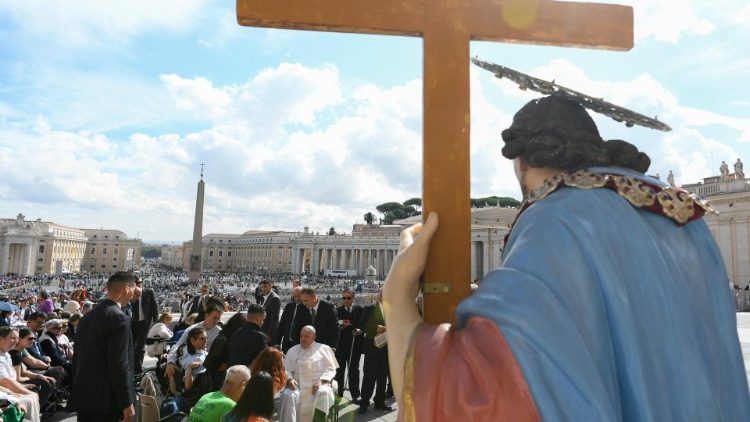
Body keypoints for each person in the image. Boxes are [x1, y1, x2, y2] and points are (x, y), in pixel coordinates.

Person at [383, 95, 750, 421]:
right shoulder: (678, 213)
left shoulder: (555, 217)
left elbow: (475, 399)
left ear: (522, 161)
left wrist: (398, 294)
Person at [70, 271, 137, 422]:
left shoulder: (86, 317)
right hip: (107, 401)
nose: (133, 295)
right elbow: (119, 363)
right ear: (126, 289)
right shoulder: (119, 318)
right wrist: (126, 401)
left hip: (84, 396)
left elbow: (77, 356)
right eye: (132, 291)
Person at [278, 326, 338, 422]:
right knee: (288, 395)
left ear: (314, 337)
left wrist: (321, 381)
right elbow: (286, 369)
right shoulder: (293, 350)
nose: (303, 339)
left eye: (306, 336)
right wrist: (290, 379)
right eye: (301, 336)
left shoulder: (324, 349)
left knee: (324, 393)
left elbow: (331, 369)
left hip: (318, 385)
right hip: (298, 385)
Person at [161, 327, 213, 419]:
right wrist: (189, 369)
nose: (206, 341)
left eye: (206, 338)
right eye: (203, 339)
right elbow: (188, 386)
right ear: (193, 341)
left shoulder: (186, 350)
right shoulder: (195, 360)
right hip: (194, 401)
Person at [165, 304, 223, 380]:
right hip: (190, 363)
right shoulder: (192, 329)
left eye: (219, 318)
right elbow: (177, 345)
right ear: (206, 315)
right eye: (214, 318)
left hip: (208, 367)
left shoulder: (219, 332)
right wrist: (170, 362)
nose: (217, 321)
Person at [357, 290, 391, 414]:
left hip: (386, 348)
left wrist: (387, 328)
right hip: (372, 348)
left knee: (382, 376)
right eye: (382, 294)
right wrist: (377, 327)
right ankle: (364, 403)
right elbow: (363, 324)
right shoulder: (370, 308)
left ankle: (379, 402)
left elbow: (398, 325)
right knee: (369, 376)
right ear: (378, 295)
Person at [0, 327, 41, 422]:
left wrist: (21, 388)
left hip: (5, 395)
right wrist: (14, 398)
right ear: (1, 338)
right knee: (30, 399)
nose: (16, 341)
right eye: (12, 338)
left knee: (32, 397)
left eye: (17, 338)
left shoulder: (6, 354)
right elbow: (5, 382)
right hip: (4, 395)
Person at [10, 328, 55, 410]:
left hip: (19, 379)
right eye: (30, 338)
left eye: (34, 338)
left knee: (49, 378)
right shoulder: (15, 354)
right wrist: (32, 377)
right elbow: (17, 379)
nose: (33, 341)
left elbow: (25, 370)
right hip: (13, 383)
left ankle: (43, 406)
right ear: (19, 339)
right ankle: (39, 408)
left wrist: (38, 375)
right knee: (47, 383)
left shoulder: (21, 351)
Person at [204, 312, 247, 390]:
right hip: (216, 383)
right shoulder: (223, 340)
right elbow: (208, 363)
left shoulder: (234, 340)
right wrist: (227, 366)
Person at [334, 288, 363, 402]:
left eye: (348, 298)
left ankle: (355, 394)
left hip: (354, 346)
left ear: (353, 298)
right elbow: (333, 327)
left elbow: (364, 324)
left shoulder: (359, 310)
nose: (346, 300)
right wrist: (340, 328)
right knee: (339, 371)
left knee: (354, 371)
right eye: (344, 298)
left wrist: (360, 330)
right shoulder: (337, 310)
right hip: (341, 347)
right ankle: (338, 393)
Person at [130, 274, 158, 373]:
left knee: (140, 348)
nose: (139, 285)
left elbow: (154, 306)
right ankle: (130, 367)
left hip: (143, 323)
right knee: (130, 346)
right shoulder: (130, 293)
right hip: (131, 324)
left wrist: (155, 321)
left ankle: (138, 369)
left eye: (140, 283)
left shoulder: (149, 292)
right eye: (136, 283)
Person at [273, 287, 309, 353]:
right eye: (295, 296)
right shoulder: (289, 306)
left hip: (300, 344)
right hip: (286, 344)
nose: (297, 298)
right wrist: (277, 343)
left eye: (299, 296)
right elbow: (282, 325)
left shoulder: (308, 308)